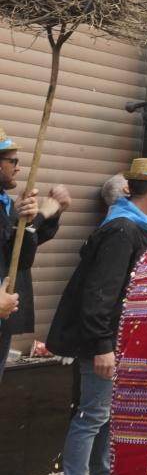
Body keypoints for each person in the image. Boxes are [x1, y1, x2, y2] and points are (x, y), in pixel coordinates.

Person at [48, 157, 147, 475]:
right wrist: (103, 347)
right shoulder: (122, 230)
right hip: (102, 344)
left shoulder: (137, 227)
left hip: (114, 342)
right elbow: (99, 295)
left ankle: (102, 474)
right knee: (93, 415)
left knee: (106, 416)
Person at [0, 127, 70, 380]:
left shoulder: (5, 202)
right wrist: (40, 216)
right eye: (12, 161)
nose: (17, 168)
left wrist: (33, 219)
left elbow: (20, 255)